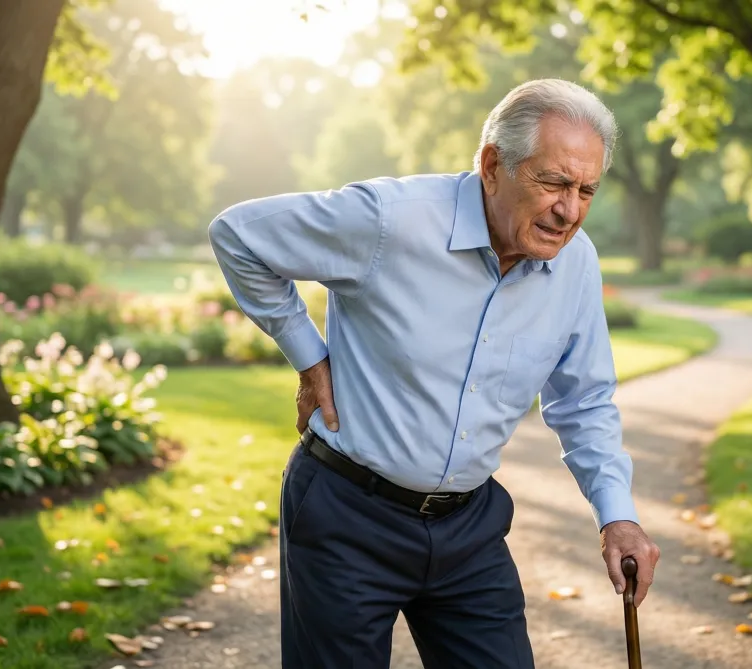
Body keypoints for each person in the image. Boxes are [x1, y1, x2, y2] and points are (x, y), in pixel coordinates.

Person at [208, 78, 661, 669]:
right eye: (553, 182)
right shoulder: (389, 220)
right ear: (493, 165)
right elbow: (239, 235)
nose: (569, 210)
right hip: (347, 516)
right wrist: (309, 355)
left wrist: (617, 514)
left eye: (586, 190)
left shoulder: (577, 263)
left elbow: (585, 401)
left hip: (468, 529)